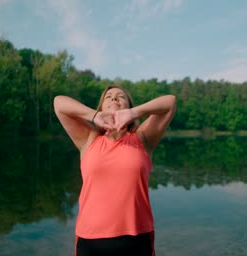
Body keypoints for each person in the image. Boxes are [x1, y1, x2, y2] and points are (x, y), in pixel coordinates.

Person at [53, 85, 176, 256]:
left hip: (137, 238)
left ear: (128, 105)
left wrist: (133, 113)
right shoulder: (89, 139)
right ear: (101, 107)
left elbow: (170, 102)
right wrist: (94, 116)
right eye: (108, 97)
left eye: (120, 96)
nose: (114, 99)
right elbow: (58, 103)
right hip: (90, 241)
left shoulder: (143, 139)